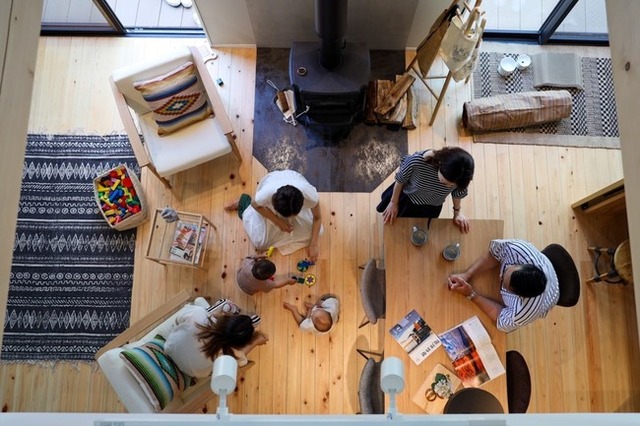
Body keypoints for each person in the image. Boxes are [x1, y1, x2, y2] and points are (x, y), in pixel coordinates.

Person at [447, 239, 560, 333]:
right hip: (546, 266)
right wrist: (467, 274)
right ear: (521, 264)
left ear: (516, 295)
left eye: (505, 284)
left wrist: (471, 295)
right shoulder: (517, 249)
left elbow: (499, 316)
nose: (500, 276)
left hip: (550, 296)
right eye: (506, 270)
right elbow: (494, 254)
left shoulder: (522, 312)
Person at [225, 170, 323, 262]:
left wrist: (314, 245)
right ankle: (243, 202)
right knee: (260, 243)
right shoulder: (265, 194)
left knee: (319, 232)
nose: (290, 219)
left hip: (293, 185)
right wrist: (278, 222)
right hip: (272, 185)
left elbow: (317, 218)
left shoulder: (310, 195)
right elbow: (254, 205)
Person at [376, 147, 474, 233]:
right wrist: (393, 202)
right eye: (445, 183)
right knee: (394, 226)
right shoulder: (417, 162)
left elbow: (457, 194)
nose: (449, 187)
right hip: (407, 200)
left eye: (452, 185)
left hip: (432, 207)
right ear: (440, 165)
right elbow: (400, 180)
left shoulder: (461, 176)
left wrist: (457, 213)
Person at [164, 304, 267, 378]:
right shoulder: (231, 354)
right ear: (239, 344)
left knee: (205, 307)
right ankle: (248, 327)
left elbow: (177, 320)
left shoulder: (198, 314)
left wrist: (212, 315)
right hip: (191, 372)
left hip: (169, 347)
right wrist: (255, 342)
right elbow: (241, 362)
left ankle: (218, 310)